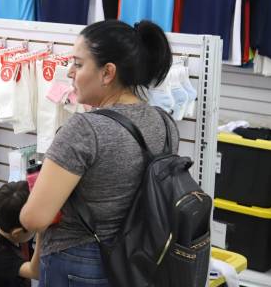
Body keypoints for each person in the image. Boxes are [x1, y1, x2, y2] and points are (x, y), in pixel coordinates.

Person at [19, 20, 180, 286]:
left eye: (79, 64)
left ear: (108, 73)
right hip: (140, 260)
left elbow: (34, 218)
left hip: (80, 263)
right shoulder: (164, 122)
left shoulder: (85, 129)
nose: (70, 72)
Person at [0, 181, 41, 287]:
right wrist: (41, 234)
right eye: (34, 229)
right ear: (17, 233)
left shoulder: (15, 237)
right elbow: (36, 272)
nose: (35, 231)